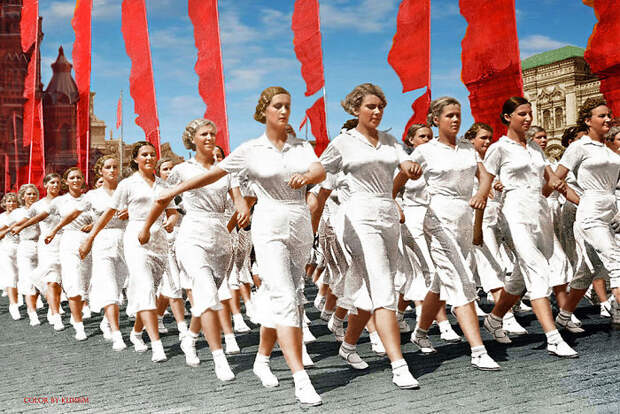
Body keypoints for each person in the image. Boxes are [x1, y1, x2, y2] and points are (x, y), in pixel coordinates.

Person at [151, 87, 325, 406]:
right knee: (285, 296)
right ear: (264, 112)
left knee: (292, 296)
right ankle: (301, 378)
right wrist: (171, 192)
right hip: (269, 224)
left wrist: (305, 174)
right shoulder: (250, 150)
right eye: (277, 106)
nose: (284, 111)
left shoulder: (301, 146)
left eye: (288, 106)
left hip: (299, 222)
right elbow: (214, 174)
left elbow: (319, 170)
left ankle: (261, 359)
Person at [319, 83, 421, 387]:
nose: (376, 112)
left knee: (370, 287)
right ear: (355, 109)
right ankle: (398, 364)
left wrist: (411, 168)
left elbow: (404, 165)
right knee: (383, 286)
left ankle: (348, 345)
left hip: (386, 214)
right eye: (370, 107)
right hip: (357, 217)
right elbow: (318, 173)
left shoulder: (390, 141)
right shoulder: (342, 143)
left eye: (380, 107)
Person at [142, 118, 244, 381]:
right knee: (208, 293)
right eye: (204, 134)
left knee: (206, 296)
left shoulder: (226, 169)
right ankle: (219, 358)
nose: (210, 138)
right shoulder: (181, 170)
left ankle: (190, 336)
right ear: (193, 140)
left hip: (220, 236)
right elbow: (162, 199)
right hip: (192, 233)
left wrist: (242, 208)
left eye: (213, 133)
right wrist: (146, 227)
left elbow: (238, 199)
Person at [406, 97, 499, 370]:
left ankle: (420, 332)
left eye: (458, 115)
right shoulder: (425, 151)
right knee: (461, 281)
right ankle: (478, 350)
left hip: (463, 219)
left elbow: (485, 176)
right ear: (436, 120)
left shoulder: (468, 148)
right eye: (449, 115)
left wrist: (482, 194)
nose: (456, 119)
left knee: (440, 281)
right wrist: (392, 199)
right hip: (437, 219)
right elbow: (401, 176)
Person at [482, 97, 579, 358]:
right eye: (522, 114)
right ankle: (553, 338)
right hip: (514, 212)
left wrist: (579, 200)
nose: (528, 118)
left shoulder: (535, 149)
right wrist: (478, 215)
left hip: (539, 211)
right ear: (507, 117)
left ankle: (494, 318)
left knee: (520, 277)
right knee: (537, 272)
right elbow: (485, 181)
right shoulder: (498, 148)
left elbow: (551, 182)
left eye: (530, 114)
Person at [80, 141, 179, 362]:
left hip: (159, 240)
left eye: (152, 155)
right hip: (136, 236)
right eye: (144, 154)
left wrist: (171, 221)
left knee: (150, 291)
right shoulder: (128, 184)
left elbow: (172, 211)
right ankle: (156, 344)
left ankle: (136, 332)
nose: (149, 158)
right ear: (135, 159)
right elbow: (108, 213)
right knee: (144, 287)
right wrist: (90, 237)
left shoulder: (164, 185)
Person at [552, 97, 620, 329]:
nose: (608, 119)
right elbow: (556, 178)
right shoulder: (579, 146)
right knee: (616, 260)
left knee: (590, 269)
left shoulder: (609, 150)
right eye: (602, 116)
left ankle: (563, 316)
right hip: (590, 212)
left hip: (610, 212)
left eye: (609, 115)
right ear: (587, 121)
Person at [393, 123, 463, 341]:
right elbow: (392, 191)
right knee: (430, 272)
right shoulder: (404, 165)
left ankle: (399, 312)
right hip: (412, 219)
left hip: (436, 217)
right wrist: (398, 209)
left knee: (427, 273)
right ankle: (442, 324)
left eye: (430, 136)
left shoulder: (436, 163)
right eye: (422, 136)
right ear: (411, 140)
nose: (427, 139)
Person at [11, 174, 64, 329]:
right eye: (52, 182)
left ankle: (53, 306)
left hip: (64, 241)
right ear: (46, 185)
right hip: (47, 243)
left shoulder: (65, 201)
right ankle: (55, 314)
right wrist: (15, 228)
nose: (55, 185)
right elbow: (26, 220)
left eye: (58, 183)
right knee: (52, 280)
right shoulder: (38, 205)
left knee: (59, 280)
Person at [0, 192, 21, 320]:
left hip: (22, 247)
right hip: (6, 248)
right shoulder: (1, 217)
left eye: (14, 201)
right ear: (4, 203)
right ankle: (13, 305)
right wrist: (8, 227)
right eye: (9, 201)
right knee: (11, 275)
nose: (11, 204)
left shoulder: (22, 214)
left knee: (23, 275)